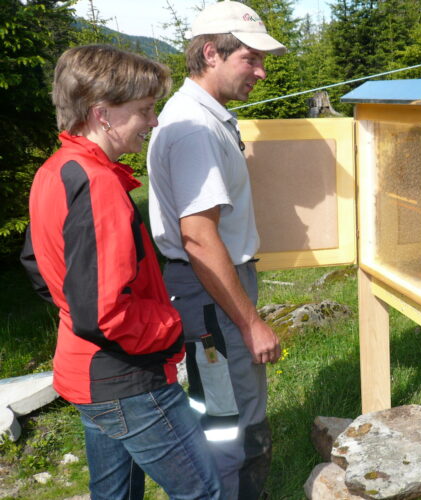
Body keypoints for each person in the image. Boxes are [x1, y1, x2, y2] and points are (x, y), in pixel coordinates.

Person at [20, 45, 221, 499]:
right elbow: (104, 314)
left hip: (86, 371)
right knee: (205, 492)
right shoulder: (96, 184)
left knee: (114, 494)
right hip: (127, 380)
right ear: (102, 113)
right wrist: (172, 328)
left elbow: (36, 266)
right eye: (145, 110)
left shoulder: (56, 170)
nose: (153, 122)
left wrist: (76, 314)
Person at [147, 2, 285, 498]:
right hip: (210, 289)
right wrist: (251, 322)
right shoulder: (195, 128)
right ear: (211, 53)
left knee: (229, 409)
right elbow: (199, 238)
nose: (261, 72)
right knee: (231, 422)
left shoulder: (206, 117)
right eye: (251, 59)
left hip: (213, 286)